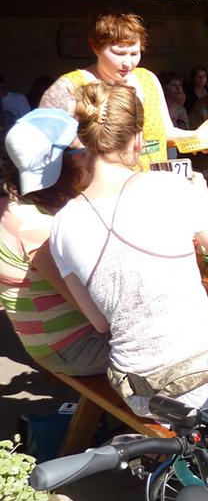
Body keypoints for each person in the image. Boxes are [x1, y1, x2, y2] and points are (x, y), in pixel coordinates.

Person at [50, 82, 208, 418]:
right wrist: (204, 200)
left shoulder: (61, 224)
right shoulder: (170, 187)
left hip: (142, 394)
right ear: (137, 139)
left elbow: (100, 323)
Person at [1, 109, 110, 376]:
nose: (89, 153)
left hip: (61, 340)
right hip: (73, 348)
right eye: (78, 149)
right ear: (61, 167)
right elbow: (94, 311)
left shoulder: (15, 205)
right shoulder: (38, 228)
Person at [40, 12, 193, 169]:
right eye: (119, 53)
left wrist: (200, 137)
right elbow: (42, 145)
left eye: (134, 53)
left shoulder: (148, 79)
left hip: (153, 184)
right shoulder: (69, 86)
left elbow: (166, 132)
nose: (128, 62)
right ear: (96, 48)